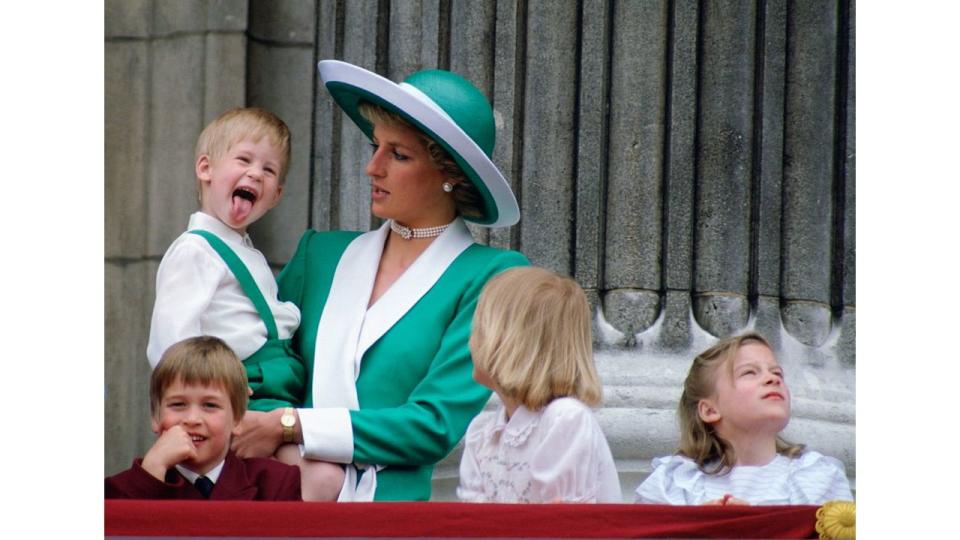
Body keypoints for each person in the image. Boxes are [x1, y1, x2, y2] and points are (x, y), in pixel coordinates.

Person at [230, 59, 529, 501]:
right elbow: (265, 368)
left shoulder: (491, 277)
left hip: (391, 515)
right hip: (280, 497)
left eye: (399, 154)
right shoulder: (320, 253)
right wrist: (278, 438)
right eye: (376, 145)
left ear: (450, 174)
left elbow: (433, 424)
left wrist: (293, 426)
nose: (373, 167)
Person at [144, 107, 343, 500]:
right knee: (322, 480)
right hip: (244, 396)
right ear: (206, 169)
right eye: (244, 160)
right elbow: (170, 343)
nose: (256, 174)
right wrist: (205, 404)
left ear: (277, 195)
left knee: (317, 476)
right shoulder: (195, 250)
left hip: (276, 393)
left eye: (269, 171)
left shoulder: (245, 251)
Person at [456, 267, 622, 503]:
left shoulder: (564, 419)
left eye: (479, 330)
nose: (470, 341)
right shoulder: (483, 433)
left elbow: (561, 526)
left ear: (511, 343)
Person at [634, 332, 854, 505]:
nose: (771, 379)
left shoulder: (818, 478)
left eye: (777, 373)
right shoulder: (674, 483)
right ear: (710, 410)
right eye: (749, 372)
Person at [106, 336, 301, 500]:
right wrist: (152, 472)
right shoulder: (116, 491)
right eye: (178, 404)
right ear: (155, 417)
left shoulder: (276, 483)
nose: (192, 419)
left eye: (210, 405)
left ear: (238, 420)